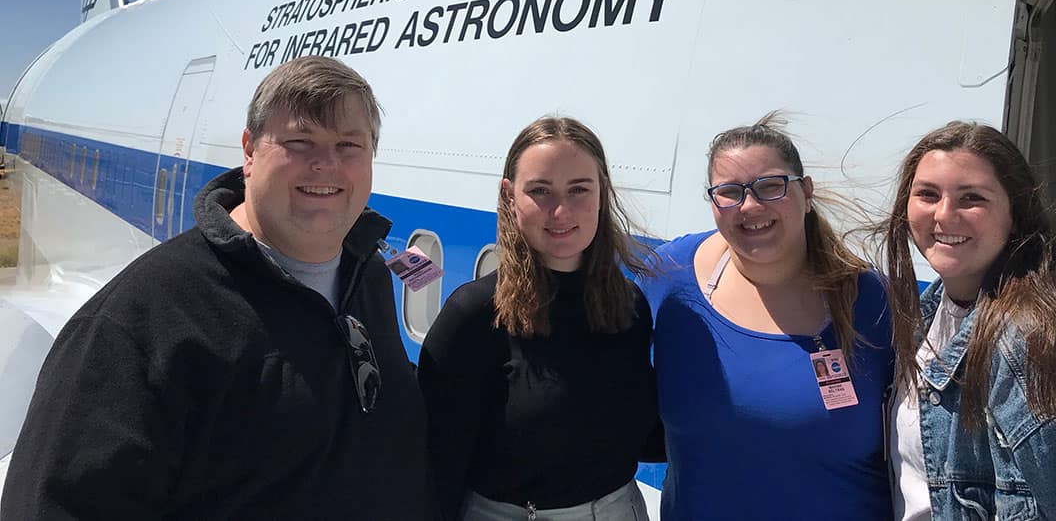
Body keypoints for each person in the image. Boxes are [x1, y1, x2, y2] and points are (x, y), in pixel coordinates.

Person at [1, 56, 435, 520]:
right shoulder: (140, 324)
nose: (325, 165)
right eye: (299, 141)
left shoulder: (366, 272)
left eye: (349, 145)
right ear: (249, 152)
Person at [881, 121, 1056, 520]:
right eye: (928, 195)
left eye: (972, 198)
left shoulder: (1036, 342)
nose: (944, 215)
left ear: (1015, 214)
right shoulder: (924, 321)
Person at [640, 113, 893, 520]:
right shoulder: (671, 277)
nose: (751, 206)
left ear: (806, 193)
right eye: (730, 192)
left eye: (771, 186)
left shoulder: (872, 301)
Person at [418, 116, 658, 521]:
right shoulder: (474, 315)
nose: (561, 211)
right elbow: (437, 460)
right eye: (540, 191)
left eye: (579, 189)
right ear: (510, 196)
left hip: (620, 509)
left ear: (602, 192)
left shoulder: (627, 305)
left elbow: (639, 433)